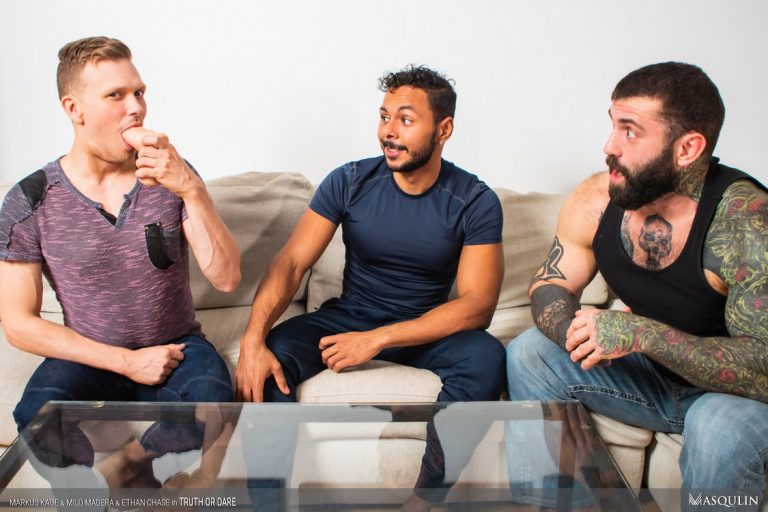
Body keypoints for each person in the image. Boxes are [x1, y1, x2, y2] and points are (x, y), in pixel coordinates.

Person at [236, 65, 506, 505]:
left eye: (405, 119)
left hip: (425, 329)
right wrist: (252, 337)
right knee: (274, 353)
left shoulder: (474, 200)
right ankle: (269, 504)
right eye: (384, 117)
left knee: (486, 358)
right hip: (350, 316)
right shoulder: (350, 181)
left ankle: (424, 500)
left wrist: (378, 339)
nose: (388, 132)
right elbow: (291, 262)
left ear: (444, 129)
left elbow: (478, 306)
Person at [506, 62, 768, 503]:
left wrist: (641, 333)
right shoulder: (596, 198)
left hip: (731, 397)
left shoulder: (746, 221)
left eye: (630, 131)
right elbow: (550, 284)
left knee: (718, 427)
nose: (609, 146)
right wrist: (580, 332)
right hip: (650, 380)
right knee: (530, 353)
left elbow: (763, 366)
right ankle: (557, 503)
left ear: (687, 148)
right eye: (613, 125)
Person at [0, 36, 240, 470]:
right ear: (74, 109)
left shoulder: (174, 177)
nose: (137, 108)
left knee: (212, 403)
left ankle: (129, 468)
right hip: (89, 354)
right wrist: (127, 362)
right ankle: (85, 496)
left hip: (177, 346)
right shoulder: (29, 200)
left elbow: (226, 279)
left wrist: (191, 189)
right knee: (36, 417)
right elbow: (18, 324)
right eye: (116, 95)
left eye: (139, 92)